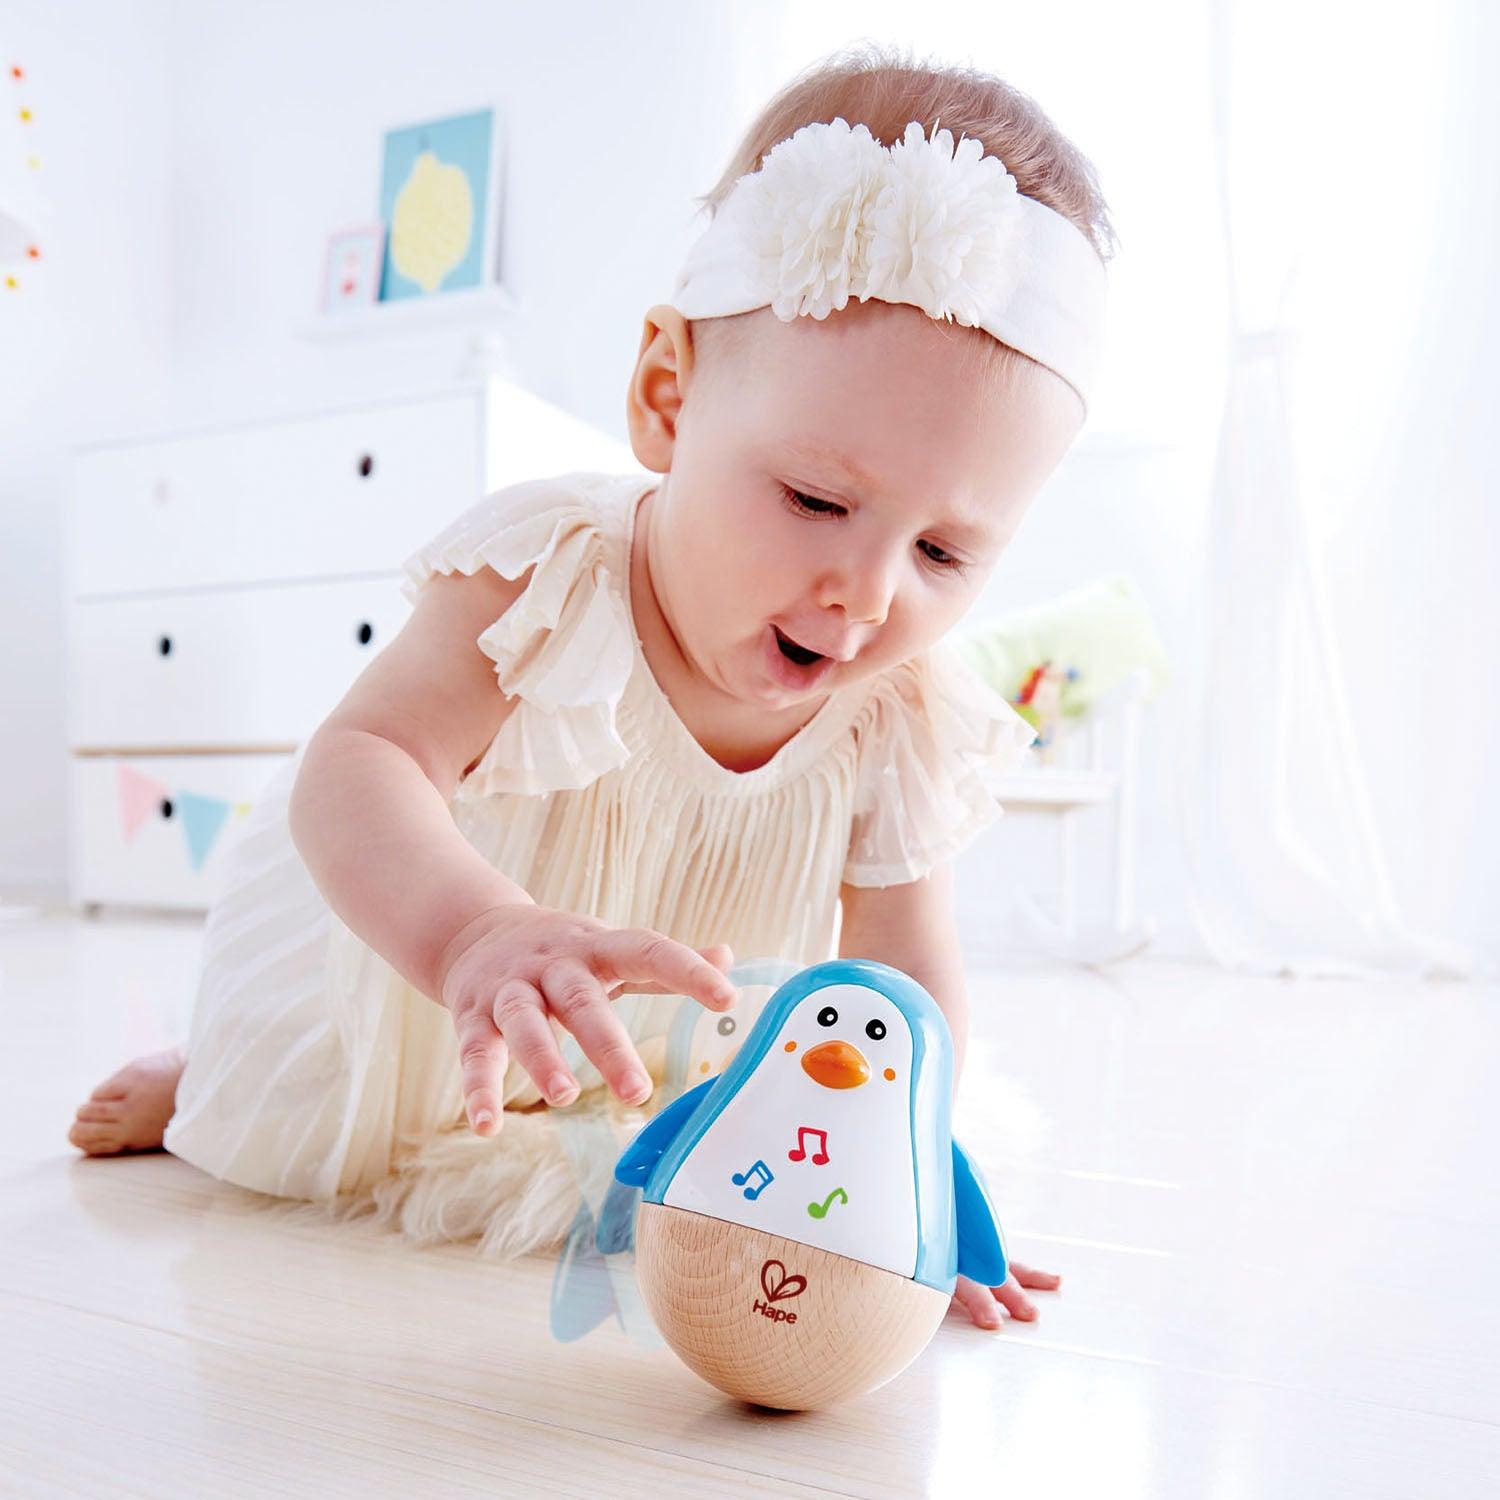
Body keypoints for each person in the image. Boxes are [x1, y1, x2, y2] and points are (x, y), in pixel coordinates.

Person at [69, 42, 1115, 1331]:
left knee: (682, 1136)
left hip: (643, 1038)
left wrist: (909, 1179)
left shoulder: (900, 711)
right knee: (279, 1115)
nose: (866, 591)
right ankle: (207, 1079)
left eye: (944, 553)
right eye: (815, 500)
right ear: (667, 398)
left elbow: (905, 979)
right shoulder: (550, 580)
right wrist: (470, 934)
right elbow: (362, 762)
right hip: (424, 976)